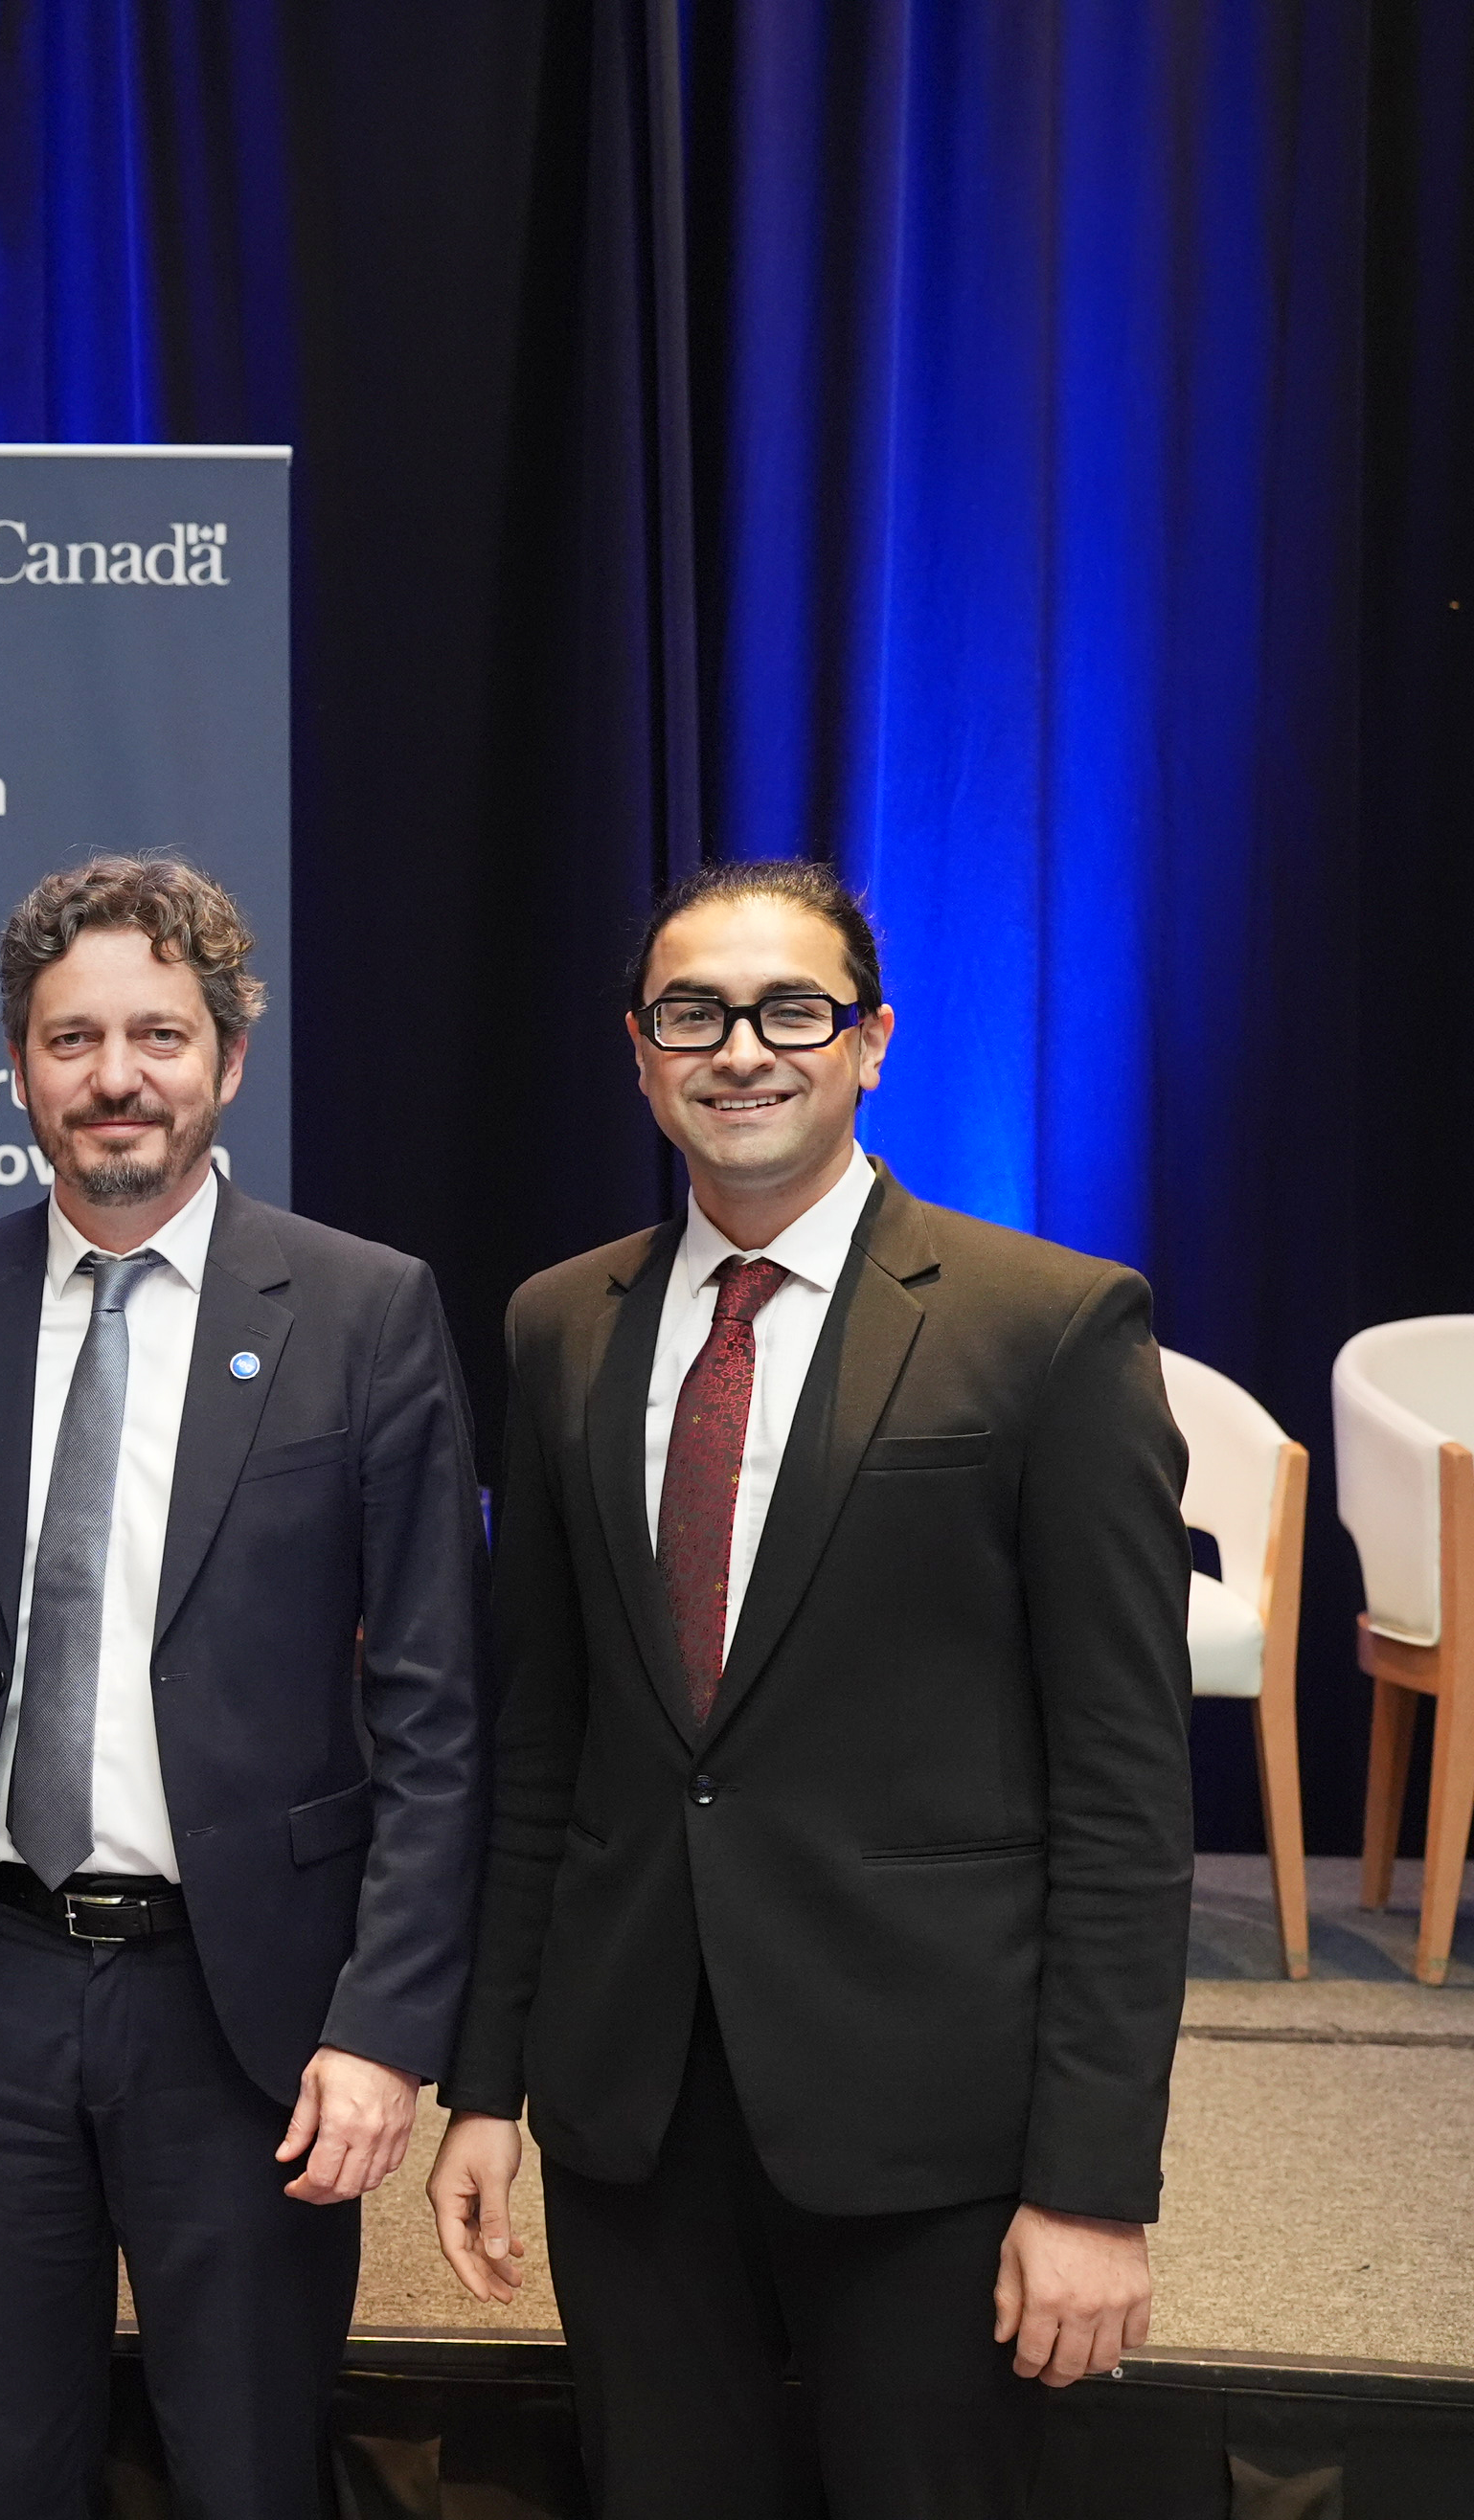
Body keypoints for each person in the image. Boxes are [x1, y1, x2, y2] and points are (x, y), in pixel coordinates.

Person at [425, 858, 1193, 2517]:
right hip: (633, 2110)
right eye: (693, 1013)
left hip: (930, 2121)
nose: (741, 1050)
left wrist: (1093, 2186)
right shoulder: (560, 1325)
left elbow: (1126, 1797)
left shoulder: (1050, 1328)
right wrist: (486, 2086)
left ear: (871, 1042)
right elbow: (540, 1741)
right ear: (640, 1053)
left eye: (792, 1010)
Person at [0, 855, 488, 2517]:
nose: (117, 1077)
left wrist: (385, 2030)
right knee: (9, 2465)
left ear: (228, 1061)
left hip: (247, 2011)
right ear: (20, 1069)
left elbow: (436, 1714)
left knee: (248, 2467)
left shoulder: (362, 1309)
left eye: (160, 1037)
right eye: (74, 1039)